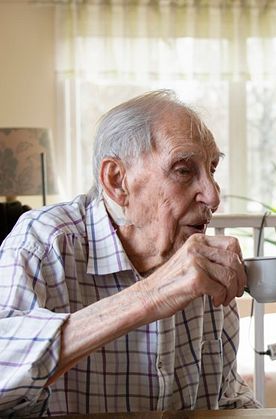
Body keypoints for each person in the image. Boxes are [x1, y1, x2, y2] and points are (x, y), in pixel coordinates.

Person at [0, 91, 259, 415]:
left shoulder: (203, 266)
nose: (212, 196)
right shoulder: (44, 243)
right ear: (117, 181)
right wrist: (150, 295)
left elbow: (227, 398)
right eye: (183, 170)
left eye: (212, 169)